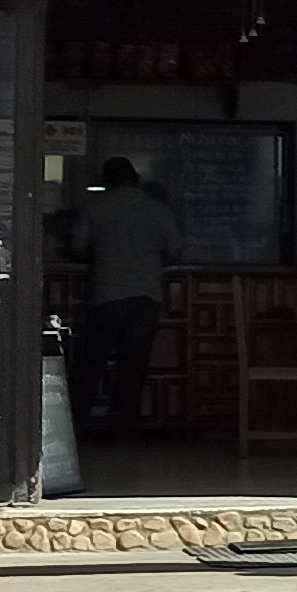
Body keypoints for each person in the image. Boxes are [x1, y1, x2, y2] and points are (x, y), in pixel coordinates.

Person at [70, 156, 181, 437]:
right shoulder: (159, 210)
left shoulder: (94, 208)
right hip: (146, 298)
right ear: (135, 179)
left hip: (105, 296)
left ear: (107, 181)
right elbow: (174, 252)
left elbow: (78, 248)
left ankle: (75, 428)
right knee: (133, 367)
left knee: (91, 365)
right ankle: (122, 428)